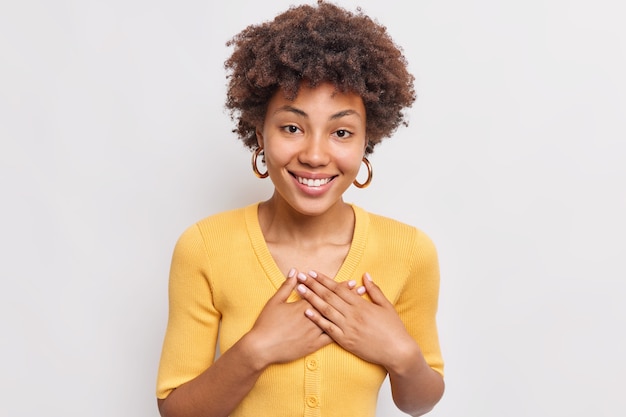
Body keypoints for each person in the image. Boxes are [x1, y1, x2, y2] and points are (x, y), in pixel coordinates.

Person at [156, 1, 444, 416]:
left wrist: (399, 352)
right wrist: (256, 349)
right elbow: (175, 410)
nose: (314, 154)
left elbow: (420, 402)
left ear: (367, 140)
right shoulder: (204, 246)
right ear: (260, 130)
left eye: (341, 132)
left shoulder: (410, 251)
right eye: (292, 127)